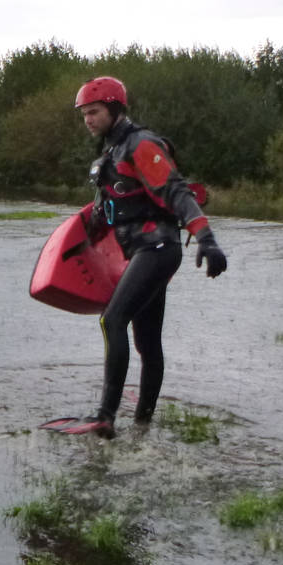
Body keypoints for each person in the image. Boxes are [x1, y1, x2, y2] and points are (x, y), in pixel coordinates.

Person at [67, 76, 227, 439]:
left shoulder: (141, 144)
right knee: (148, 341)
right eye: (84, 114)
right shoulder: (110, 154)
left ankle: (105, 418)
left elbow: (176, 192)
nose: (88, 120)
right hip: (141, 253)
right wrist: (75, 245)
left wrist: (206, 238)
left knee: (112, 321)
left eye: (94, 112)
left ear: (115, 109)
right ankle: (143, 422)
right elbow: (102, 213)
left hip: (156, 250)